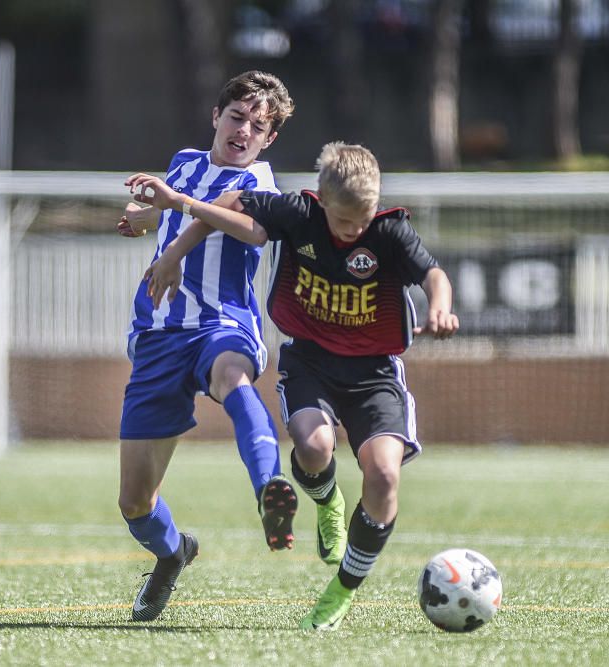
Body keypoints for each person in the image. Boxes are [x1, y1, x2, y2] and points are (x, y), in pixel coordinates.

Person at [128, 141, 459, 630]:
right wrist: (173, 219)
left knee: (385, 476)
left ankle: (341, 592)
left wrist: (439, 305)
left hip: (374, 373)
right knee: (311, 446)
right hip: (311, 362)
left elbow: (434, 274)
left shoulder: (389, 230)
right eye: (345, 222)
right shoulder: (297, 212)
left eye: (362, 220)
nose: (355, 232)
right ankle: (327, 501)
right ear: (323, 202)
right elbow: (228, 206)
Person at [115, 70, 300, 623]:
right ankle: (173, 555)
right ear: (216, 118)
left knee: (232, 377)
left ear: (268, 140)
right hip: (157, 334)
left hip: (224, 324)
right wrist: (150, 219)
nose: (244, 130)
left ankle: (271, 487)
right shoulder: (185, 163)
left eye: (258, 126)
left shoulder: (263, 182)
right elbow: (181, 207)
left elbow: (251, 230)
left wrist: (175, 211)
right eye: (237, 116)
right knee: (135, 503)